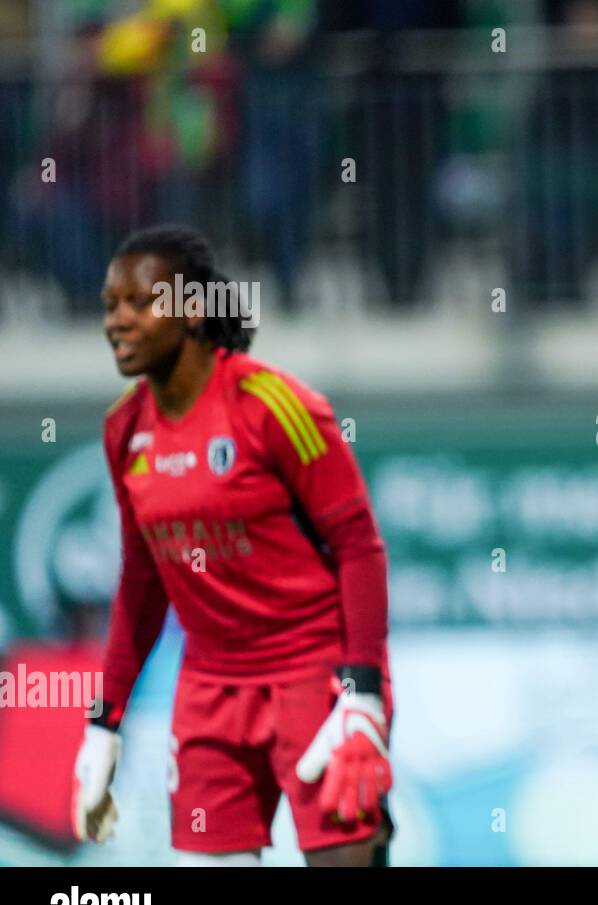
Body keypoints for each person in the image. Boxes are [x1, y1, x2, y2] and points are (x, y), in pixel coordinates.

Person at [72, 225, 394, 866]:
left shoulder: (272, 405)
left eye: (140, 302)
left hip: (314, 670)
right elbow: (141, 579)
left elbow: (359, 546)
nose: (119, 321)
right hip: (209, 690)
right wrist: (102, 724)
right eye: (110, 306)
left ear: (193, 308)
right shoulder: (124, 429)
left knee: (345, 861)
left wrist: (362, 696)